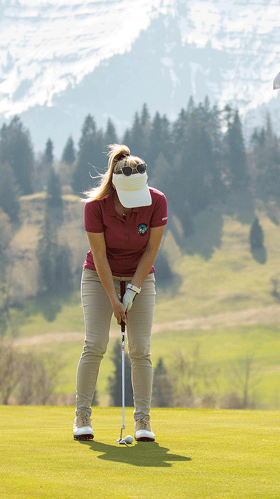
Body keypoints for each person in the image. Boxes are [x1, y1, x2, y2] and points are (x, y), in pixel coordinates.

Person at [73, 144, 167, 442]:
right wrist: (115, 300)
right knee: (96, 343)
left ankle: (142, 423)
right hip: (100, 276)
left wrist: (134, 289)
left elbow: (152, 249)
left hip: (139, 273)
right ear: (114, 186)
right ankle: (82, 418)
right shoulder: (94, 206)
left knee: (140, 348)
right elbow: (99, 257)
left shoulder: (157, 201)